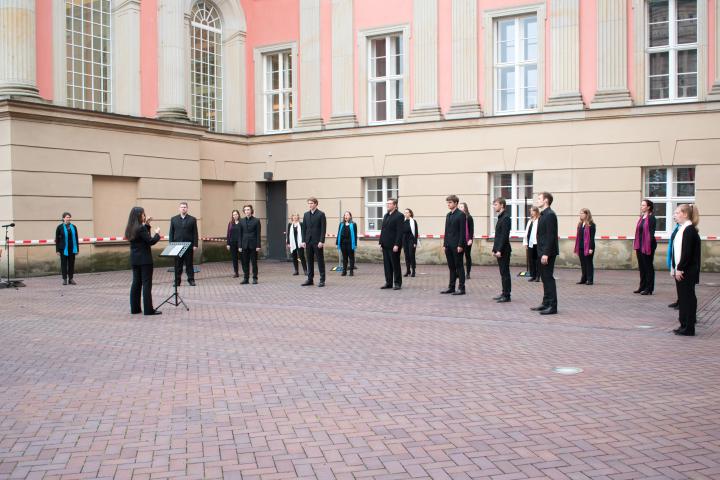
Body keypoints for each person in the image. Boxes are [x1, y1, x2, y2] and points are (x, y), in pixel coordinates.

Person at [670, 204, 701, 336]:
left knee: (687, 298)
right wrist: (674, 267)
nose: (674, 215)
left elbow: (686, 253)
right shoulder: (682, 229)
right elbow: (675, 251)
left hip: (686, 271)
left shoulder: (689, 230)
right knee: (683, 298)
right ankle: (683, 324)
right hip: (682, 270)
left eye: (677, 213)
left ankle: (689, 327)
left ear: (685, 214)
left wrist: (680, 268)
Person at [125, 207, 161, 315]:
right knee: (146, 284)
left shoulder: (130, 228)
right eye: (143, 214)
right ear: (139, 215)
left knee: (136, 283)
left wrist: (147, 224)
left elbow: (143, 238)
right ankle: (148, 310)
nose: (144, 216)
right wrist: (157, 234)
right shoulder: (141, 228)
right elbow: (150, 241)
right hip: (145, 260)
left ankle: (135, 309)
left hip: (135, 259)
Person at [531, 192, 558, 315]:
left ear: (546, 200)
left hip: (547, 252)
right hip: (541, 251)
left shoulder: (550, 215)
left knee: (548, 278)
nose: (538, 201)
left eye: (539, 199)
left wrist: (546, 253)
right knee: (544, 279)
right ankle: (545, 303)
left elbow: (551, 236)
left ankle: (552, 306)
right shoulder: (543, 215)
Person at [441, 195, 466, 296]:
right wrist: (444, 244)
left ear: (455, 203)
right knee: (451, 267)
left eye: (450, 202)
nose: (448, 204)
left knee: (459, 266)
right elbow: (446, 231)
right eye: (447, 202)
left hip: (457, 245)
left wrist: (460, 245)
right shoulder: (448, 215)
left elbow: (462, 232)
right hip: (449, 245)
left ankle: (461, 288)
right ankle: (451, 287)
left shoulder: (461, 215)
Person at [169, 201, 199, 287]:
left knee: (189, 264)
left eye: (185, 207)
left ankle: (191, 280)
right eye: (182, 207)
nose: (183, 208)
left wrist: (195, 244)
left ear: (187, 208)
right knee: (178, 265)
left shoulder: (192, 219)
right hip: (177, 246)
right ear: (179, 208)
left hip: (189, 246)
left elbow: (195, 233)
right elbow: (171, 232)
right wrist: (171, 244)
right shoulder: (174, 219)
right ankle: (177, 281)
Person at [379, 198, 404, 290]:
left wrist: (397, 244)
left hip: (394, 245)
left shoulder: (399, 216)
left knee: (395, 264)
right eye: (387, 204)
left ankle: (397, 283)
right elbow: (383, 230)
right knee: (387, 265)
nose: (387, 205)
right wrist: (381, 243)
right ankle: (388, 282)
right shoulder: (386, 216)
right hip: (385, 244)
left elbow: (400, 232)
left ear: (395, 205)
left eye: (389, 204)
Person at [301, 197, 327, 287]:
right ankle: (310, 279)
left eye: (311, 203)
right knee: (309, 261)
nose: (310, 205)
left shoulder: (321, 214)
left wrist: (321, 241)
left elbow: (323, 229)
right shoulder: (306, 215)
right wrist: (303, 241)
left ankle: (322, 280)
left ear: (316, 204)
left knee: (320, 260)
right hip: (308, 241)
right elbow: (304, 229)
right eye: (309, 203)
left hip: (317, 242)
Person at [633, 199, 657, 295]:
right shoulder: (642, 217)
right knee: (642, 267)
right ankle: (642, 286)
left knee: (648, 267)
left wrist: (648, 246)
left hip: (648, 245)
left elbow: (650, 234)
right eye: (641, 205)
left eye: (643, 205)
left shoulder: (651, 218)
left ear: (648, 207)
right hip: (640, 245)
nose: (641, 207)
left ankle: (649, 288)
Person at [492, 198, 512, 302]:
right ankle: (504, 292)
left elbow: (504, 236)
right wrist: (494, 249)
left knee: (505, 273)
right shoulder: (500, 217)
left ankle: (507, 295)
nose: (494, 206)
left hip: (504, 250)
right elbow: (497, 236)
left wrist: (499, 250)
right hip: (499, 249)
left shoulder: (506, 218)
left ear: (502, 205)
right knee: (502, 273)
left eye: (496, 204)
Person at [239, 204, 261, 284]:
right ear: (244, 211)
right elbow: (240, 234)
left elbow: (258, 234)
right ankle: (246, 278)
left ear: (251, 210)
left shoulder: (256, 220)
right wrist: (240, 246)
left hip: (253, 244)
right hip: (244, 244)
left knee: (254, 262)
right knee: (245, 262)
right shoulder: (241, 221)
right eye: (245, 210)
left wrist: (258, 245)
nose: (247, 211)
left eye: (248, 209)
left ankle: (255, 278)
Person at [55, 212, 79, 285]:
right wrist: (57, 250)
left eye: (69, 217)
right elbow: (57, 240)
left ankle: (71, 279)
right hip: (63, 249)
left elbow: (76, 238)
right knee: (64, 264)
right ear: (63, 218)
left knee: (71, 264)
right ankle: (65, 279)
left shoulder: (74, 227)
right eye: (67, 217)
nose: (68, 218)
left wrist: (77, 249)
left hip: (72, 248)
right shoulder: (59, 227)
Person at [574, 208, 596, 285]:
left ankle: (590, 280)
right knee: (583, 264)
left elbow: (592, 238)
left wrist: (591, 248)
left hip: (588, 247)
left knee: (588, 263)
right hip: (580, 246)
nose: (580, 215)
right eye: (580, 213)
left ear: (587, 214)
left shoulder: (591, 225)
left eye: (582, 213)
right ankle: (584, 279)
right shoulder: (580, 224)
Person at [667, 213, 681, 310]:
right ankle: (679, 300)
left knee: (684, 286)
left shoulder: (686, 229)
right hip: (675, 258)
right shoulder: (677, 227)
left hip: (681, 263)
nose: (674, 216)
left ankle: (682, 303)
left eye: (677, 213)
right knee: (678, 284)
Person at [336, 211, 357, 277]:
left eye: (347, 215)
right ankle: (344, 271)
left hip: (350, 243)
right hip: (343, 243)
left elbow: (355, 235)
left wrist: (355, 244)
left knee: (351, 257)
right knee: (344, 258)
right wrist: (337, 242)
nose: (346, 216)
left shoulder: (353, 224)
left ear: (350, 216)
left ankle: (351, 271)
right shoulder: (341, 224)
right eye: (345, 215)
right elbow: (338, 233)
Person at [523, 206, 540, 282]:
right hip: (530, 242)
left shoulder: (539, 220)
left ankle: (538, 276)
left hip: (536, 243)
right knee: (531, 260)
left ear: (536, 211)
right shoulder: (530, 221)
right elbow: (527, 232)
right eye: (531, 211)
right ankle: (533, 275)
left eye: (533, 211)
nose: (531, 212)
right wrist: (525, 242)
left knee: (537, 260)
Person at [458, 202, 474, 278]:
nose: (460, 208)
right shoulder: (458, 217)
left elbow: (471, 229)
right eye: (459, 207)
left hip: (467, 240)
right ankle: (459, 273)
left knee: (467, 256)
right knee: (459, 257)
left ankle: (468, 273)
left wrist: (470, 239)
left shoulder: (469, 217)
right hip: (459, 240)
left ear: (465, 208)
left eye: (462, 207)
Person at [402, 208, 419, 277]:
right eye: (405, 213)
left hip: (411, 240)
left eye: (407, 212)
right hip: (404, 240)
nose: (405, 214)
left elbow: (416, 232)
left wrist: (415, 242)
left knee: (411, 255)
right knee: (406, 256)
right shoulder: (403, 221)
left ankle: (413, 271)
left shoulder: (413, 221)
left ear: (410, 213)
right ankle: (408, 270)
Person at [226, 209, 241, 278]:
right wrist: (228, 244)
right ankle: (236, 272)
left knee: (243, 258)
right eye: (233, 215)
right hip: (232, 243)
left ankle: (245, 271)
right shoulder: (230, 223)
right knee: (234, 258)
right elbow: (228, 234)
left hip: (240, 243)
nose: (235, 216)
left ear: (238, 215)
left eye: (236, 214)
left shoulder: (242, 222)